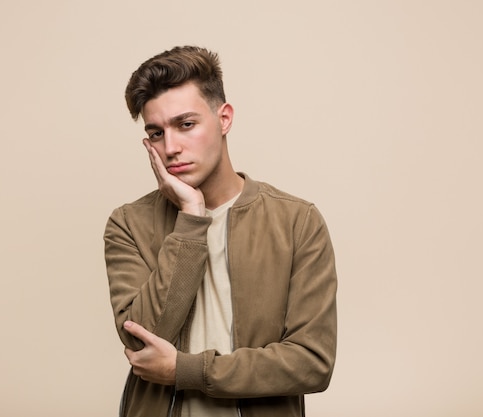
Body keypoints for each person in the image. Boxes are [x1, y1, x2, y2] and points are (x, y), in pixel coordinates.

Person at [104, 45, 338, 417]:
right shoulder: (128, 224)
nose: (171, 147)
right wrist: (192, 217)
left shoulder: (297, 221)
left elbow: (312, 362)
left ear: (224, 118)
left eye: (186, 124)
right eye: (156, 133)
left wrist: (187, 371)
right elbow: (142, 340)